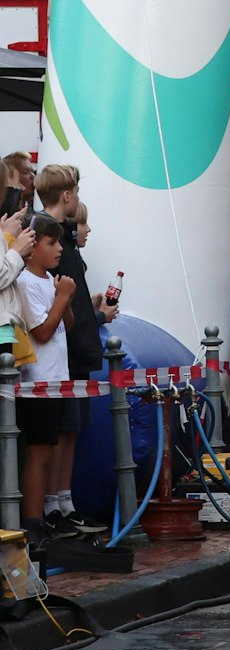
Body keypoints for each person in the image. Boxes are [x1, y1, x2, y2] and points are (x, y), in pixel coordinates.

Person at [34, 164, 106, 537]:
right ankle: (52, 506)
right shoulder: (49, 234)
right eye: (76, 191)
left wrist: (90, 312)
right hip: (64, 351)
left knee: (71, 429)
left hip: (75, 345)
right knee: (59, 431)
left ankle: (65, 501)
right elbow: (54, 293)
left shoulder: (63, 237)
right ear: (67, 195)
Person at [15, 219, 74, 546]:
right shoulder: (24, 281)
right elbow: (41, 331)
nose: (59, 250)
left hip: (57, 379)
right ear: (32, 246)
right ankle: (32, 521)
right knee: (38, 451)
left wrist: (63, 295)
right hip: (37, 380)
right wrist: (62, 297)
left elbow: (68, 323)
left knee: (50, 448)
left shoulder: (50, 280)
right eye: (52, 243)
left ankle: (44, 516)